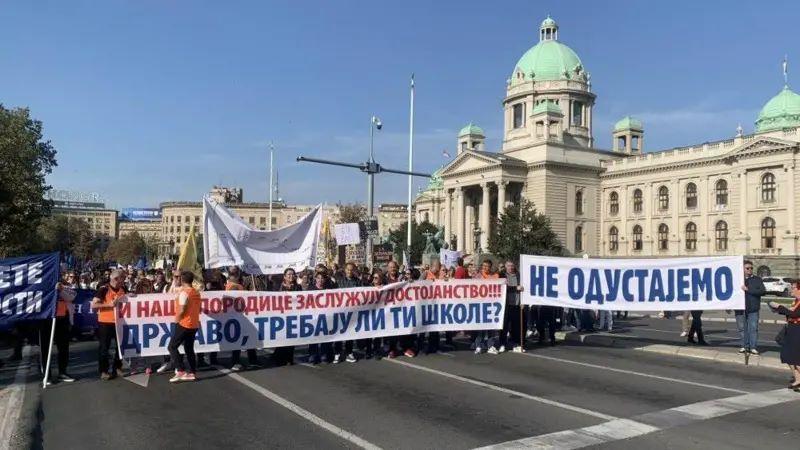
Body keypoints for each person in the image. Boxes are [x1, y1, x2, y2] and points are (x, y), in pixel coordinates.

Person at [91, 269, 127, 380]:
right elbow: (94, 305)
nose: (123, 281)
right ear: (116, 279)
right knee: (104, 348)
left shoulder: (123, 289)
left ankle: (117, 367)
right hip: (105, 322)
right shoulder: (104, 289)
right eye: (122, 279)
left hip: (119, 322)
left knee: (120, 346)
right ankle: (103, 371)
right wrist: (109, 305)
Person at [168, 271, 202, 383]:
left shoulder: (184, 293)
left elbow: (182, 309)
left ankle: (181, 370)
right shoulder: (196, 292)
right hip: (194, 324)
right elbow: (199, 309)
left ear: (182, 280)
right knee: (189, 348)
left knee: (172, 347)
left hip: (184, 323)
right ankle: (192, 372)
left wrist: (177, 319)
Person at [40, 282, 77, 383]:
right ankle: (46, 375)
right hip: (46, 319)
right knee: (45, 348)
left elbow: (72, 297)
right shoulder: (43, 284)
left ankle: (62, 372)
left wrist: (61, 289)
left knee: (63, 348)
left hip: (62, 318)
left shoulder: (63, 285)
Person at [768, 283, 800, 390]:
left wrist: (779, 307)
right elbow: (790, 312)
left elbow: (795, 314)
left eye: (793, 288)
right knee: (787, 355)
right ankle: (798, 379)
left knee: (797, 358)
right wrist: (777, 309)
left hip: (798, 330)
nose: (791, 289)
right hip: (791, 329)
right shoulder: (795, 301)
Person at [227, 270, 260, 371]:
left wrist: (252, 294)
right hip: (237, 317)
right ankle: (237, 361)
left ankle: (251, 360)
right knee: (240, 339)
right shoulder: (233, 286)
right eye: (232, 275)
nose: (234, 277)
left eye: (235, 275)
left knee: (248, 338)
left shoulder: (238, 285)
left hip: (243, 316)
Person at [272, 268, 302, 366]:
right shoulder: (278, 286)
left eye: (293, 274)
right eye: (289, 274)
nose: (291, 276)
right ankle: (278, 357)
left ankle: (289, 358)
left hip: (293, 315)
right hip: (281, 315)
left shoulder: (298, 287)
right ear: (284, 276)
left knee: (291, 337)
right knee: (282, 336)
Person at [334, 263, 360, 363]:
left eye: (351, 269)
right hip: (340, 310)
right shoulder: (339, 281)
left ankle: (349, 352)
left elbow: (365, 291)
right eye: (348, 269)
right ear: (345, 270)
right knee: (339, 332)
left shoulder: (358, 281)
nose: (350, 271)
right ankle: (337, 353)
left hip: (352, 311)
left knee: (350, 332)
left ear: (354, 270)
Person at [496, 260, 525, 353]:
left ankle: (516, 344)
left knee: (516, 326)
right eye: (509, 266)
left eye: (512, 266)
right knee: (504, 326)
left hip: (517, 304)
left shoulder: (519, 275)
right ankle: (502, 344)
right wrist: (515, 288)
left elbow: (523, 288)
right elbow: (503, 288)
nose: (511, 267)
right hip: (506, 305)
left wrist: (523, 301)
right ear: (505, 266)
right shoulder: (502, 275)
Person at [737, 260, 765, 354]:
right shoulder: (738, 279)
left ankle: (753, 347)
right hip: (740, 308)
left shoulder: (757, 279)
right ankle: (744, 346)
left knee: (753, 328)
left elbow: (762, 291)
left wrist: (748, 290)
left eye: (751, 268)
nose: (750, 270)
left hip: (753, 308)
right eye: (747, 268)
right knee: (742, 328)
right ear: (742, 269)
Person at [307, 272, 334, 364]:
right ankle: (312, 354)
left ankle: (323, 354)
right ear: (315, 279)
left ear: (325, 280)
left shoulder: (328, 289)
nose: (320, 280)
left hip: (325, 316)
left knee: (325, 335)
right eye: (318, 278)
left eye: (322, 278)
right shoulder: (310, 289)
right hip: (313, 316)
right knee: (314, 336)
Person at [476, 259, 500, 354]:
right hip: (480, 304)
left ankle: (491, 345)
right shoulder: (478, 276)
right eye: (484, 266)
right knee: (481, 327)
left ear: (490, 267)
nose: (485, 268)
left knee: (491, 327)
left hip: (491, 305)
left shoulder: (494, 276)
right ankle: (479, 345)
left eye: (487, 266)